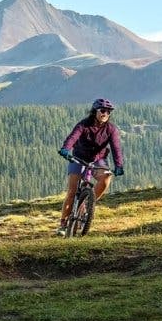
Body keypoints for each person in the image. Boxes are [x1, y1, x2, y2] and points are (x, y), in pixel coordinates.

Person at [57, 98, 125, 234]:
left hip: (97, 160)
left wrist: (119, 165)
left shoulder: (111, 129)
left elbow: (116, 148)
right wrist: (65, 149)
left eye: (108, 111)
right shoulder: (84, 125)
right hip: (78, 158)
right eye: (103, 111)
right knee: (72, 191)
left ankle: (89, 202)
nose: (105, 114)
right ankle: (63, 223)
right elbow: (72, 137)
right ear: (95, 111)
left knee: (106, 177)